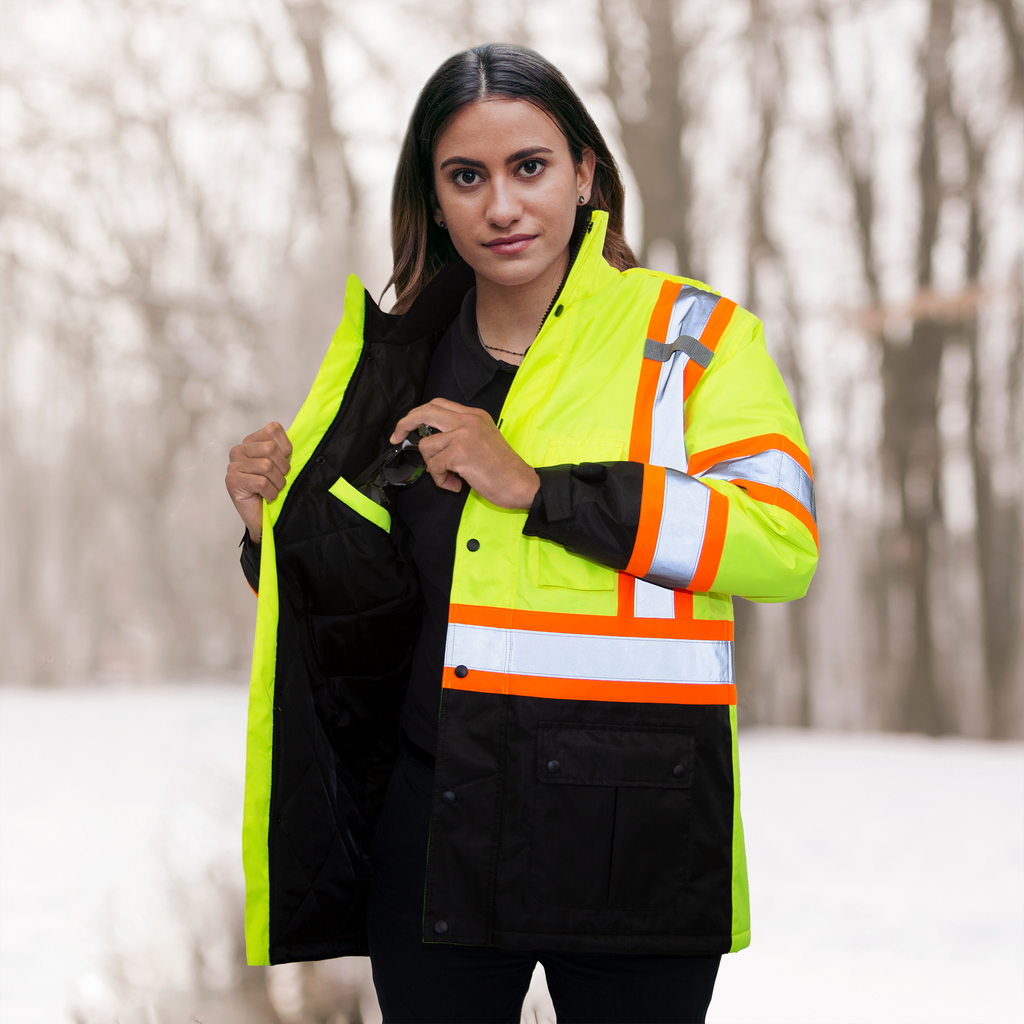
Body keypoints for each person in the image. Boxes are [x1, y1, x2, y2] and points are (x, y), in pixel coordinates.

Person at [225, 43, 818, 1024]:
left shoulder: (698, 337)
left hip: (637, 821)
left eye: (529, 167)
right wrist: (271, 534)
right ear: (434, 195)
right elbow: (368, 620)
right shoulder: (394, 363)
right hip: (435, 821)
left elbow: (780, 545)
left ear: (585, 173)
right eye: (467, 176)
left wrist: (539, 487)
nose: (501, 206)